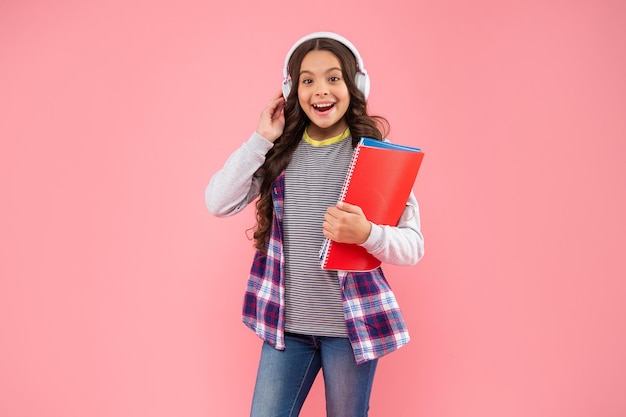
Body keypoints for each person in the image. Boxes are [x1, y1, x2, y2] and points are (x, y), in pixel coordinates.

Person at [205, 31, 424, 417]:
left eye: (333, 77)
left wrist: (367, 234)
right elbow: (217, 201)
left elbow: (413, 246)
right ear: (292, 90)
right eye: (307, 80)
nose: (320, 90)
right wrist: (260, 139)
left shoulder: (376, 159)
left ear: (355, 85)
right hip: (285, 331)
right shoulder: (278, 155)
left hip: (350, 330)